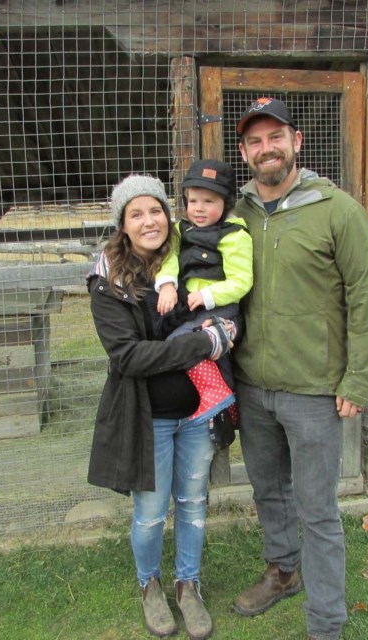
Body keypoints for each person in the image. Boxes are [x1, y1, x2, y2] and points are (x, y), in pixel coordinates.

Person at [230, 97, 368, 640]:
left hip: (314, 390)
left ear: (297, 142)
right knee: (267, 490)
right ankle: (283, 572)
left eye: (275, 137)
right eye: (254, 140)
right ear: (245, 151)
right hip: (252, 385)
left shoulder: (335, 208)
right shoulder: (238, 212)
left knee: (318, 510)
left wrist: (358, 377)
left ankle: (326, 623)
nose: (265, 148)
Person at [87, 173, 237, 640]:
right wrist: (202, 344)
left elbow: (211, 310)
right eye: (137, 214)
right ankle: (149, 584)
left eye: (155, 210)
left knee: (193, 502)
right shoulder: (107, 280)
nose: (149, 221)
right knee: (151, 511)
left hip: (196, 413)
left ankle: (187, 584)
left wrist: (218, 329)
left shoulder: (188, 259)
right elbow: (128, 356)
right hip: (146, 417)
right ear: (123, 225)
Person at [154, 159, 253, 435]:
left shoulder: (234, 236)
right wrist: (166, 285)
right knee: (209, 357)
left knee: (183, 343)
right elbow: (169, 258)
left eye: (209, 201)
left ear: (225, 202)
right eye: (193, 200)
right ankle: (223, 411)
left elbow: (242, 280)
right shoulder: (180, 230)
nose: (199, 208)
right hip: (188, 307)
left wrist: (208, 294)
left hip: (220, 308)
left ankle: (219, 400)